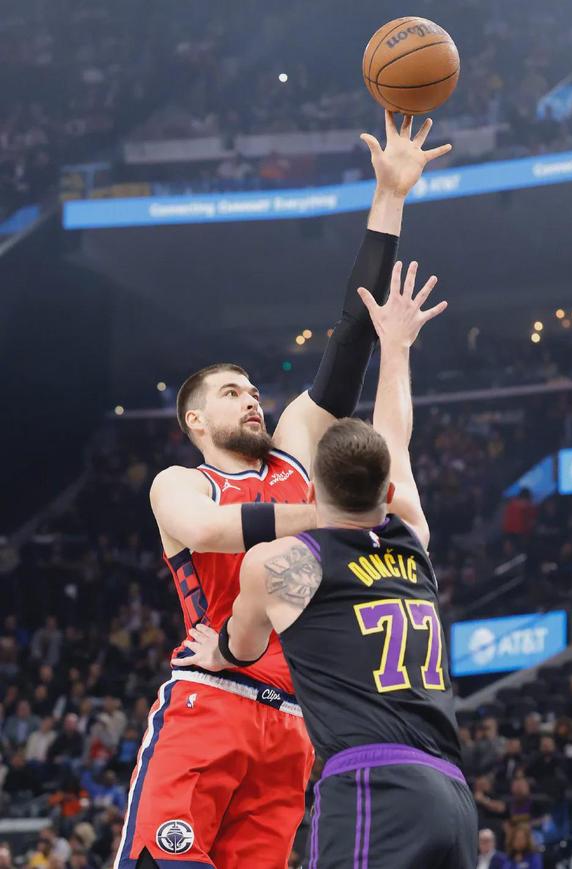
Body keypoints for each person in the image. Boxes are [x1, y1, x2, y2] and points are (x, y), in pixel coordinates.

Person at [116, 113, 453, 869]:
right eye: (231, 392)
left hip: (299, 721)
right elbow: (208, 533)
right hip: (213, 696)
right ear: (195, 419)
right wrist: (334, 516)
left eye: (252, 390)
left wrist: (390, 197)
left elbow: (350, 335)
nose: (251, 400)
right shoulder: (182, 482)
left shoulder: (295, 448)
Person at [179, 263, 477, 867]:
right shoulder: (413, 540)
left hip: (372, 786)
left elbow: (240, 647)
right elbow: (396, 439)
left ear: (312, 490)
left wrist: (220, 652)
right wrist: (397, 348)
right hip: (452, 793)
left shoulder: (289, 562)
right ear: (385, 492)